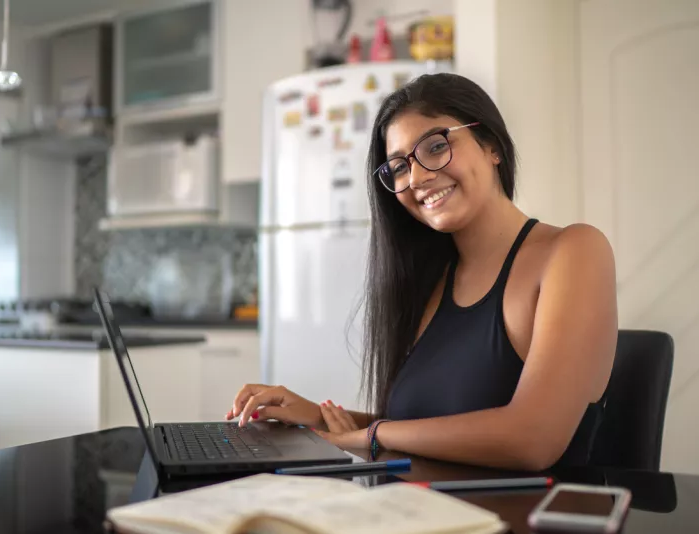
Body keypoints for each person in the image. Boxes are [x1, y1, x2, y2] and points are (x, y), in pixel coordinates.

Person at [226, 73, 618, 470]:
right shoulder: (433, 278)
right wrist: (313, 416)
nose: (416, 178)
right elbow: (420, 430)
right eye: (398, 167)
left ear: (492, 146)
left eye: (435, 146)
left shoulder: (573, 251)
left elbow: (532, 439)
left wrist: (371, 437)